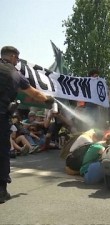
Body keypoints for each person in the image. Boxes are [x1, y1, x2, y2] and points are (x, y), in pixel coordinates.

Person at [0, 46, 55, 203]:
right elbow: (35, 93)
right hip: (1, 116)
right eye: (17, 58)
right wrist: (48, 100)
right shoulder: (14, 73)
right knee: (2, 153)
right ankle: (1, 191)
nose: (17, 61)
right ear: (12, 56)